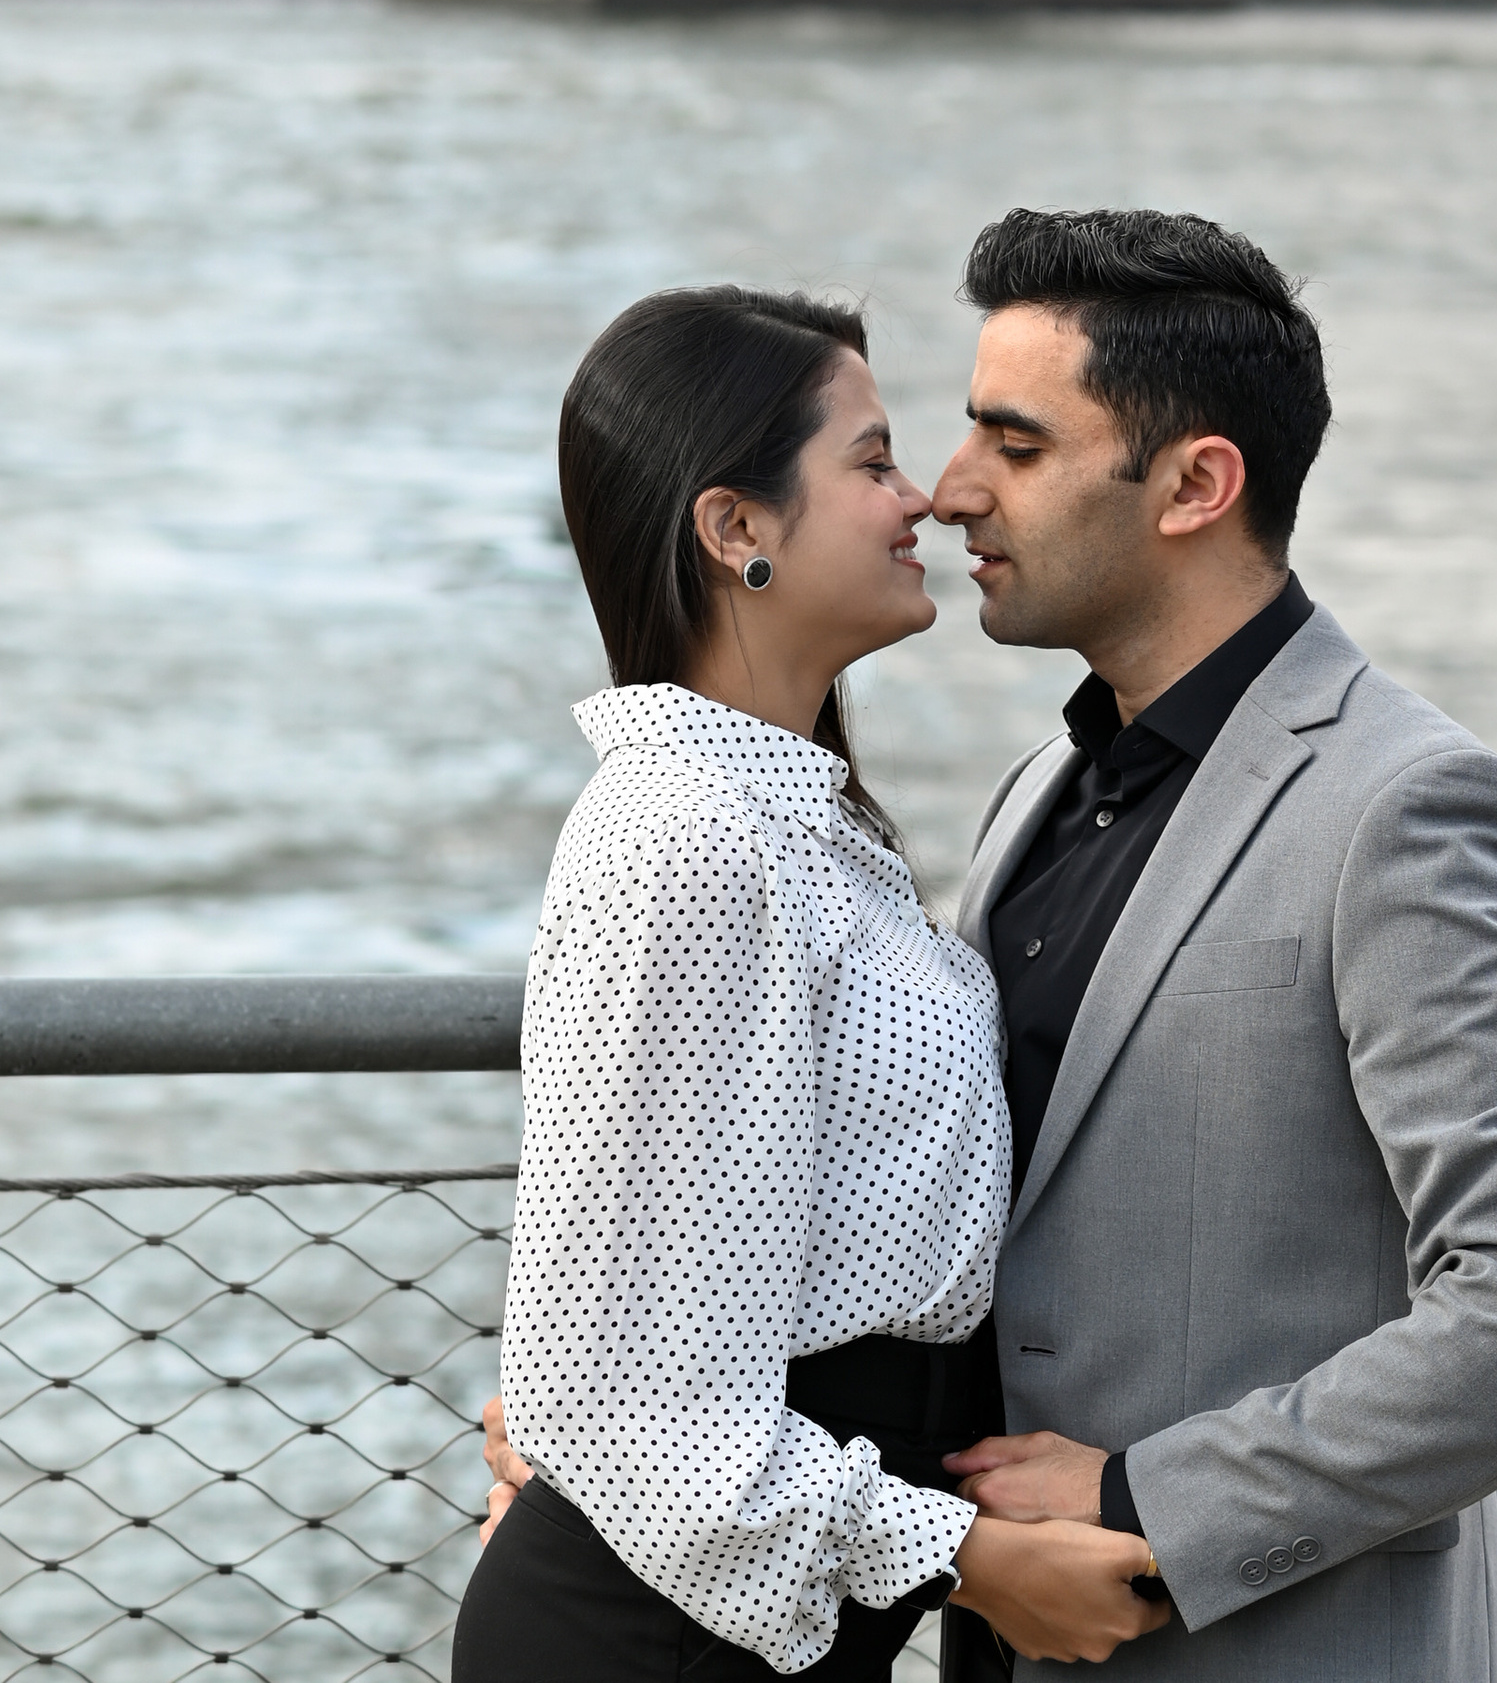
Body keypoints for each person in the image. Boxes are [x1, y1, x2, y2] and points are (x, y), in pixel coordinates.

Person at [929, 206, 1497, 1677]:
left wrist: (1146, 1500)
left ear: (1196, 482)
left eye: (1018, 443)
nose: (951, 492)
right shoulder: (1039, 795)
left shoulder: (1412, 807)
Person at [457, 283, 1163, 1681]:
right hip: (659, 1629)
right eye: (871, 459)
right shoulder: (686, 834)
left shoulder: (798, 829)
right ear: (737, 529)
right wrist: (971, 1556)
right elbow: (629, 1390)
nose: (928, 498)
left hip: (748, 1609)